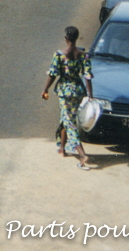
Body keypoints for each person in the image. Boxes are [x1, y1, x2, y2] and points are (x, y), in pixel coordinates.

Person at [42, 25, 94, 169]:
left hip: (65, 92)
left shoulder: (59, 55)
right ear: (76, 38)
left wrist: (45, 89)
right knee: (67, 117)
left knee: (69, 122)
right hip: (78, 91)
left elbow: (53, 74)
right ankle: (62, 149)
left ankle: (82, 155)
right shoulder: (83, 55)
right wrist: (90, 96)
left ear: (66, 39)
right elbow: (87, 76)